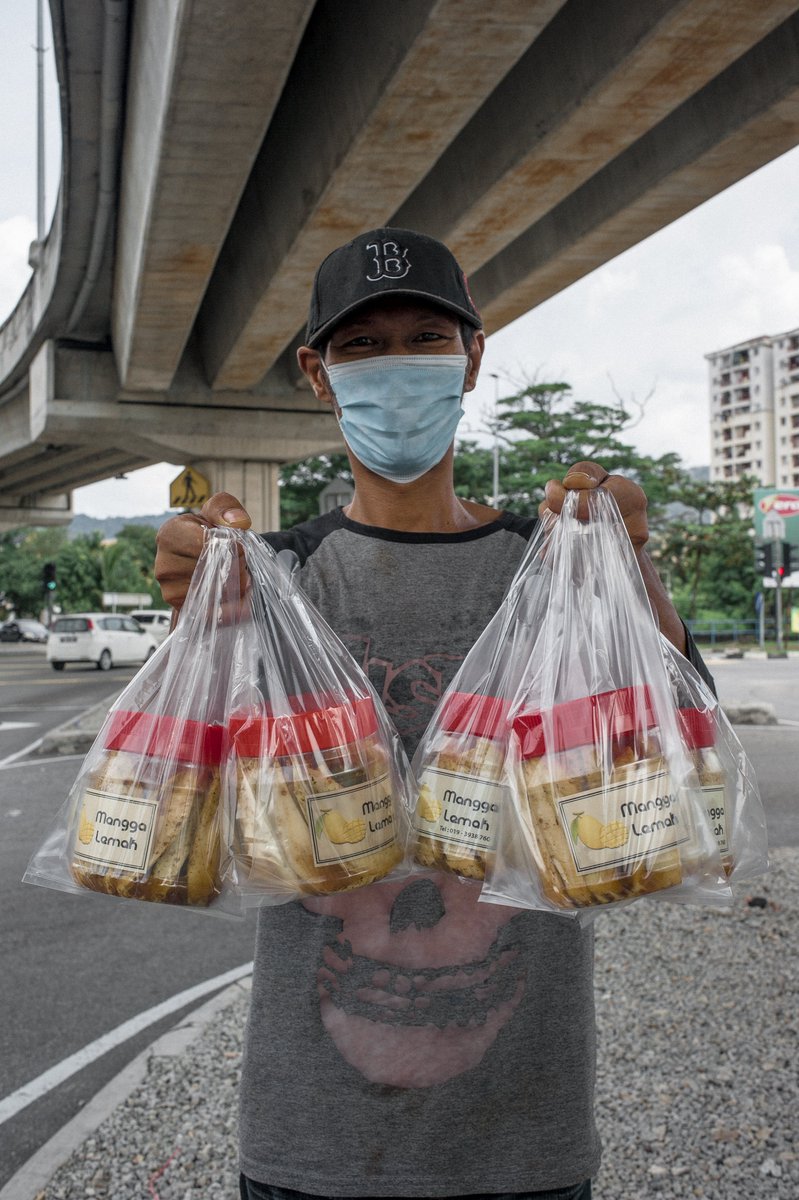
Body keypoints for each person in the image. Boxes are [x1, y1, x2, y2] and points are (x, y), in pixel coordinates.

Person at [155, 227, 708, 1200]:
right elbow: (182, 826)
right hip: (307, 1145)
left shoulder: (549, 570)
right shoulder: (270, 582)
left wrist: (629, 568)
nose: (395, 366)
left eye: (423, 337)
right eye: (363, 346)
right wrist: (194, 612)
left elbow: (679, 778)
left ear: (472, 358)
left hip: (523, 1143)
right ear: (316, 374)